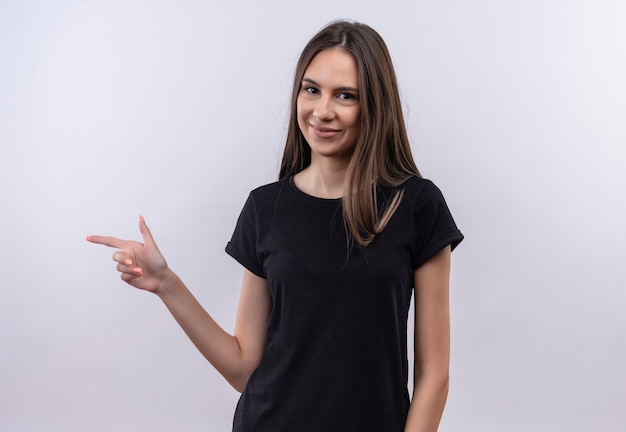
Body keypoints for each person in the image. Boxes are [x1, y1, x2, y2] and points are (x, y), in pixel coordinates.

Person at [87, 20, 463, 432]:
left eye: (346, 96)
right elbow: (243, 369)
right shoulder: (266, 208)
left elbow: (434, 377)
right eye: (311, 89)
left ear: (375, 104)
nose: (322, 111)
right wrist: (166, 285)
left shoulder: (416, 206)